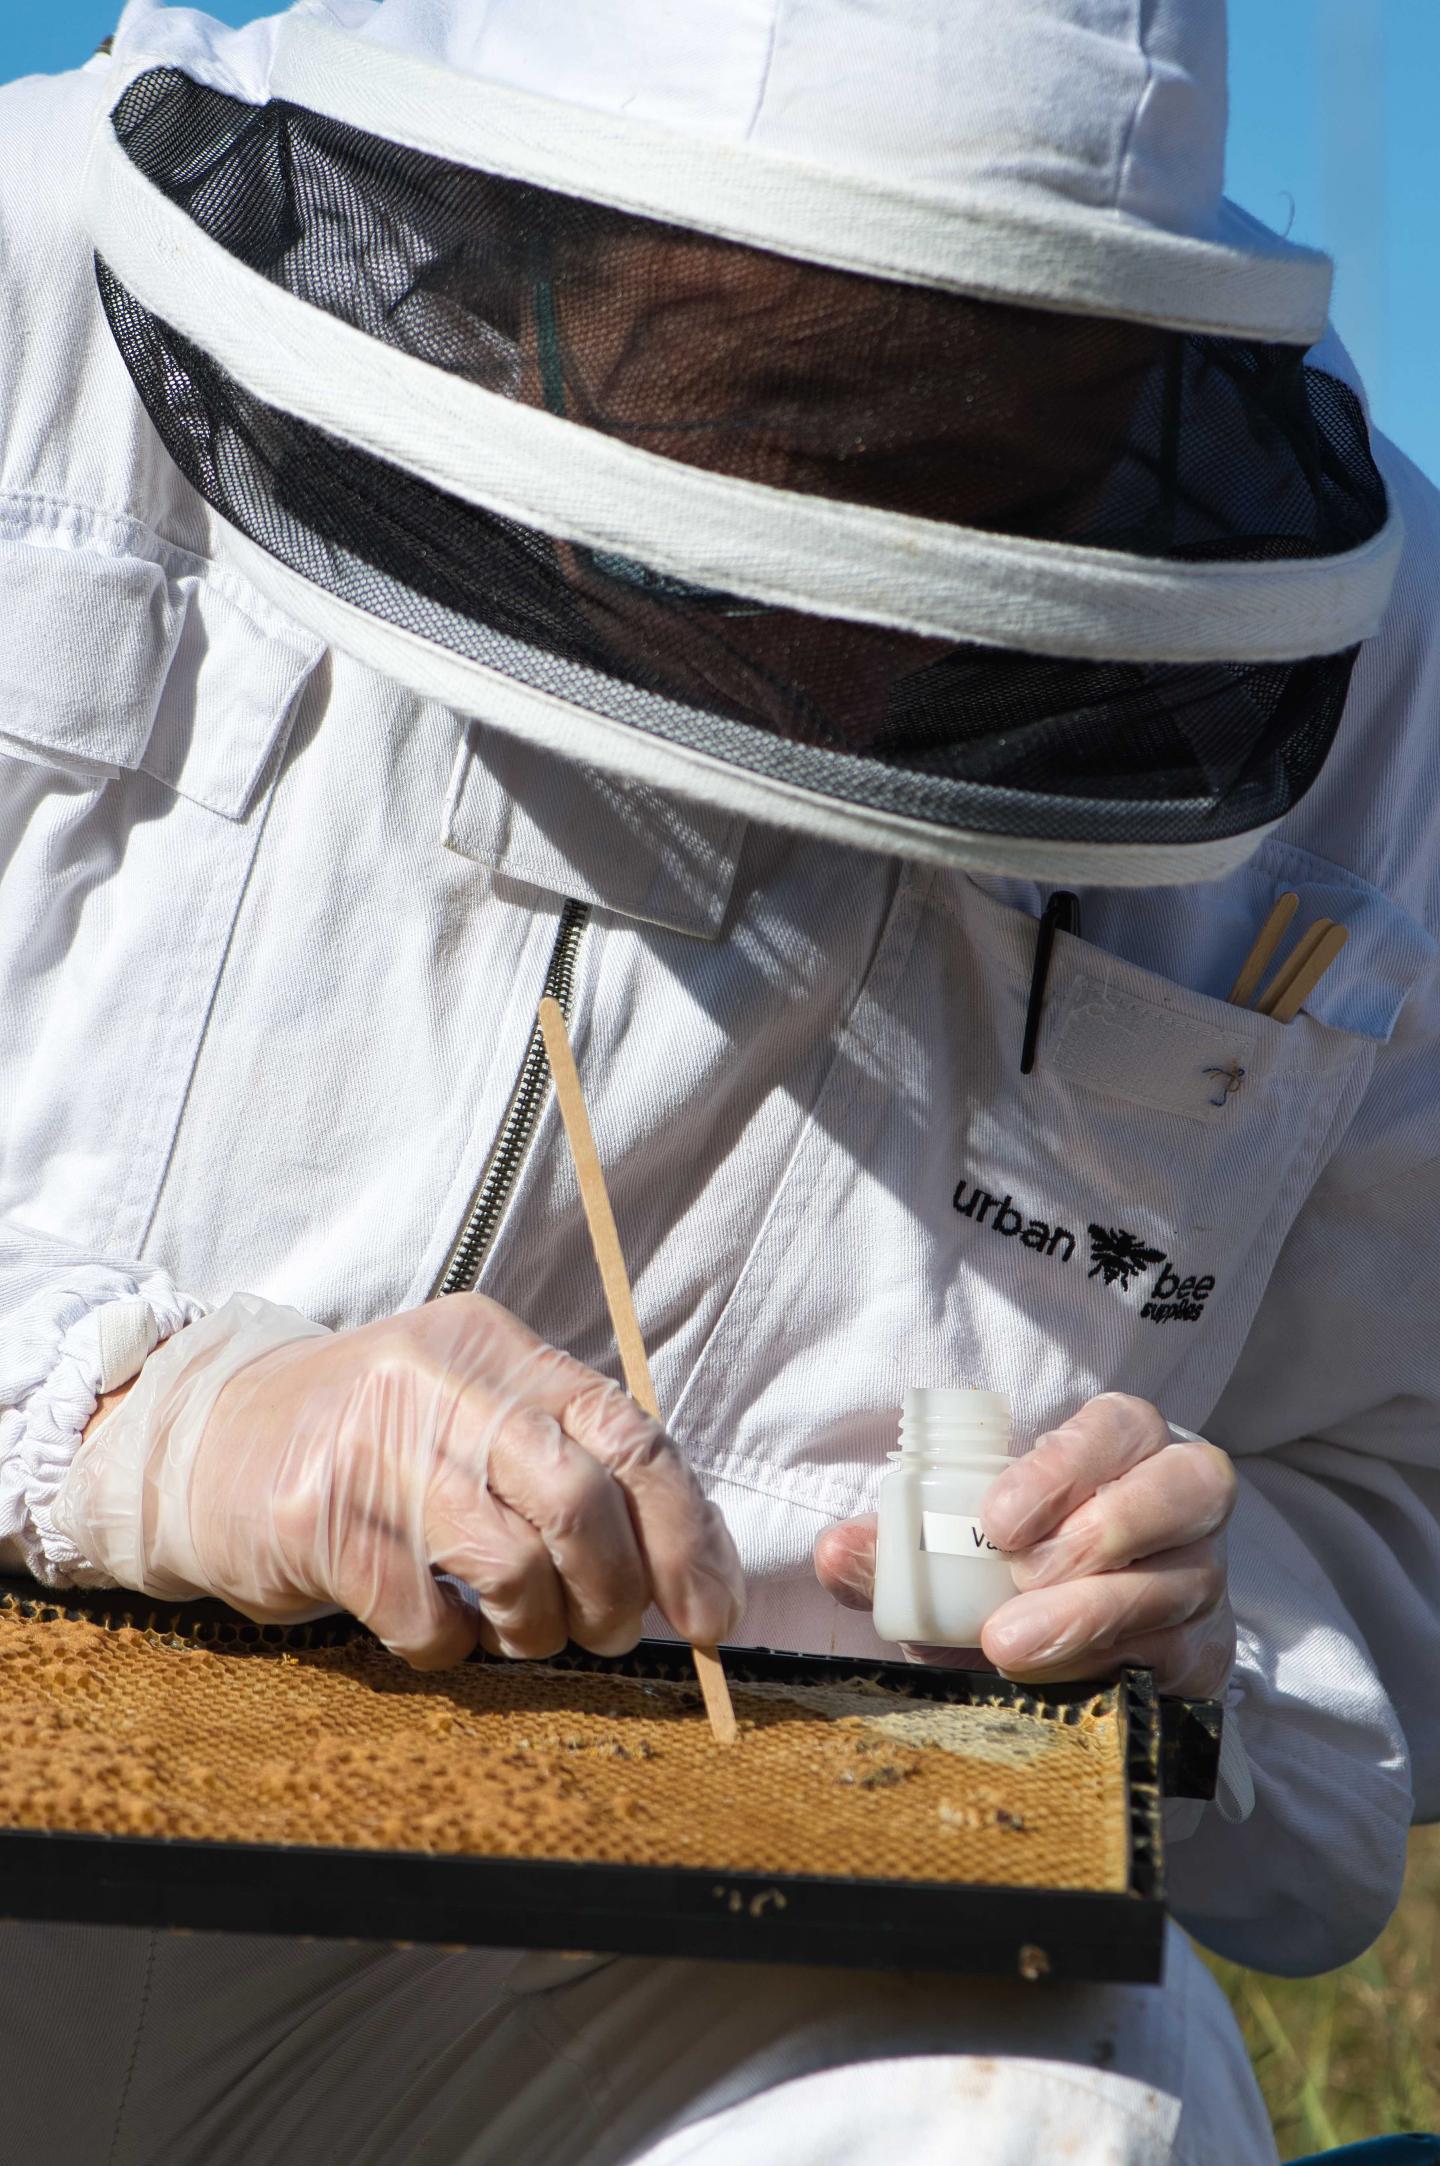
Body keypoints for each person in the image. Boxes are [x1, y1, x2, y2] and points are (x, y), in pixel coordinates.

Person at [1, 0, 1436, 2159]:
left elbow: (1390, 1535)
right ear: (506, 229)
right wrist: (132, 1424)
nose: (857, 613)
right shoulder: (25, 320)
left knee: (1063, 2114)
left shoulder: (1381, 690)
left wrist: (1214, 1634)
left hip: (619, 1987)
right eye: (774, 411)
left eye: (995, 461)